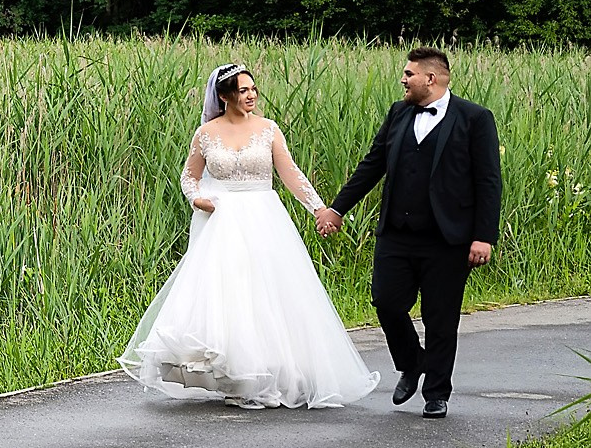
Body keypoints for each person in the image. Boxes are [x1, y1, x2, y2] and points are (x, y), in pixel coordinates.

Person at [120, 63, 379, 409]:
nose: (251, 95)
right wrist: (196, 197)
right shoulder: (206, 134)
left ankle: (277, 372)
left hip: (263, 217)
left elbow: (290, 173)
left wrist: (319, 209)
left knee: (268, 291)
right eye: (243, 91)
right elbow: (189, 176)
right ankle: (237, 374)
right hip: (223, 220)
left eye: (253, 89)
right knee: (232, 295)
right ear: (224, 96)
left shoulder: (268, 129)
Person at [315, 47, 500, 419]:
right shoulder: (399, 112)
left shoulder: (475, 118)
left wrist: (485, 236)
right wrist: (337, 208)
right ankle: (412, 362)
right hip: (397, 233)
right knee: (386, 302)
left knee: (441, 317)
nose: (403, 79)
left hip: (448, 238)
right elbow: (373, 164)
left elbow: (488, 180)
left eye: (409, 73)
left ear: (430, 78)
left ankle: (436, 393)